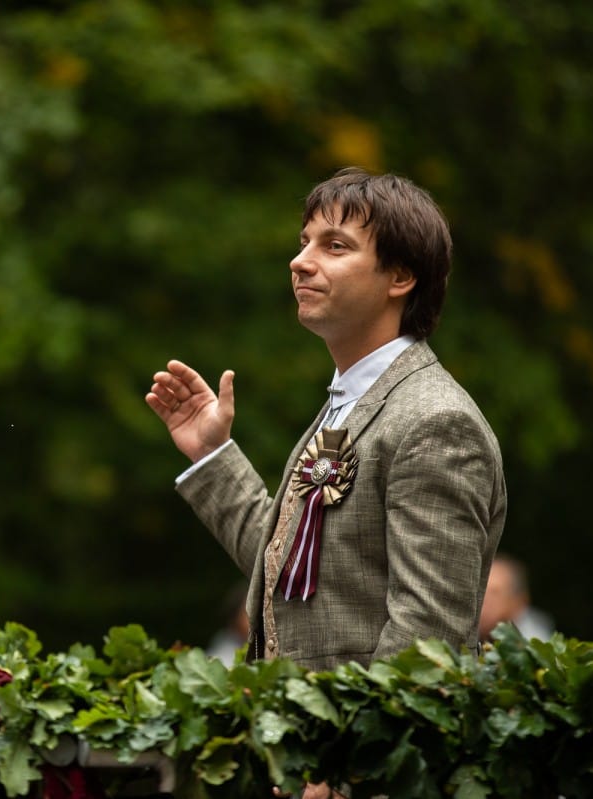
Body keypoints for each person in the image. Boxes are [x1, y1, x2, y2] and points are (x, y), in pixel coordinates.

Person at [146, 168, 508, 797]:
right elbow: (293, 567)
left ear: (400, 277)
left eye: (334, 246)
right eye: (304, 242)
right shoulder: (351, 402)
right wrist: (212, 454)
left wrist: (350, 766)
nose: (300, 261)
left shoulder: (435, 421)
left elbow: (429, 637)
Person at [480, 553, 554, 642]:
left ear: (519, 601)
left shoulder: (534, 642)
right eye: (481, 593)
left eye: (494, 594)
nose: (483, 602)